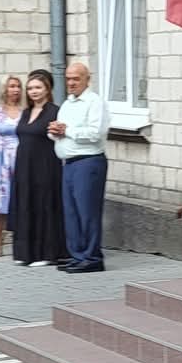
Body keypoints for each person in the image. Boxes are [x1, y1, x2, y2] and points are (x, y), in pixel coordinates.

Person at [49, 60, 110, 272]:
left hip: (88, 162)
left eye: (76, 79)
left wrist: (67, 131)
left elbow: (96, 133)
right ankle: (77, 255)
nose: (71, 83)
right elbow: (61, 132)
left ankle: (92, 257)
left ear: (87, 79)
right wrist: (54, 132)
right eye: (68, 79)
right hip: (69, 162)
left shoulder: (94, 102)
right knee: (71, 212)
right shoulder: (67, 104)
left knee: (87, 212)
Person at [10, 70, 66, 269]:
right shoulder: (26, 112)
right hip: (24, 166)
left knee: (44, 205)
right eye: (30, 88)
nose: (33, 91)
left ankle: (47, 253)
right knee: (26, 204)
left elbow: (60, 136)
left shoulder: (54, 111)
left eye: (38, 88)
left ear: (47, 89)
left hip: (45, 166)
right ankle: (25, 253)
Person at [0, 75, 24, 256]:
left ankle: (20, 239)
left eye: (18, 86)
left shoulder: (25, 111)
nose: (15, 90)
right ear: (4, 89)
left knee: (20, 197)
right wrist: (1, 147)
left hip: (21, 158)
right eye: (11, 86)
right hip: (0, 160)